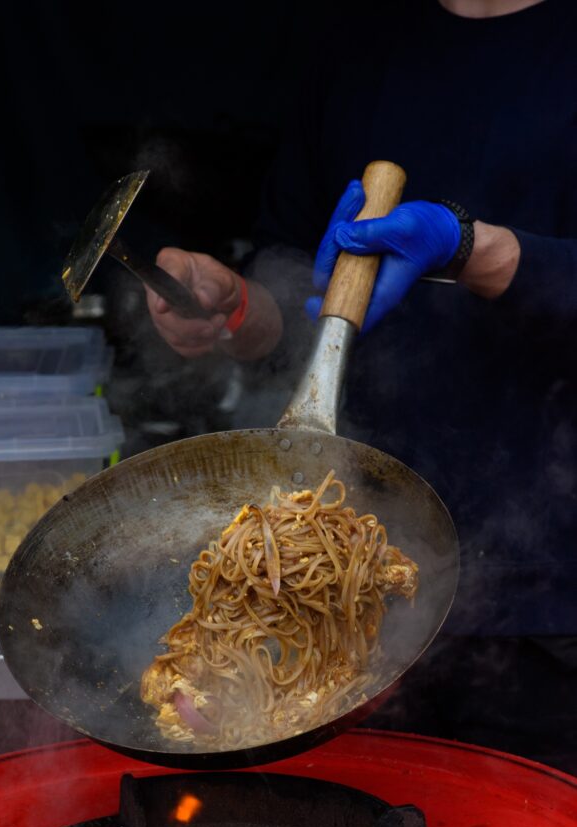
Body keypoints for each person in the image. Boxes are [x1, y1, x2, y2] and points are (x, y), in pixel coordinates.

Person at [143, 0, 577, 772]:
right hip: (361, 591)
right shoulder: (357, 45)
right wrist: (236, 307)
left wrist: (473, 249)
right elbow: (306, 297)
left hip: (552, 597)